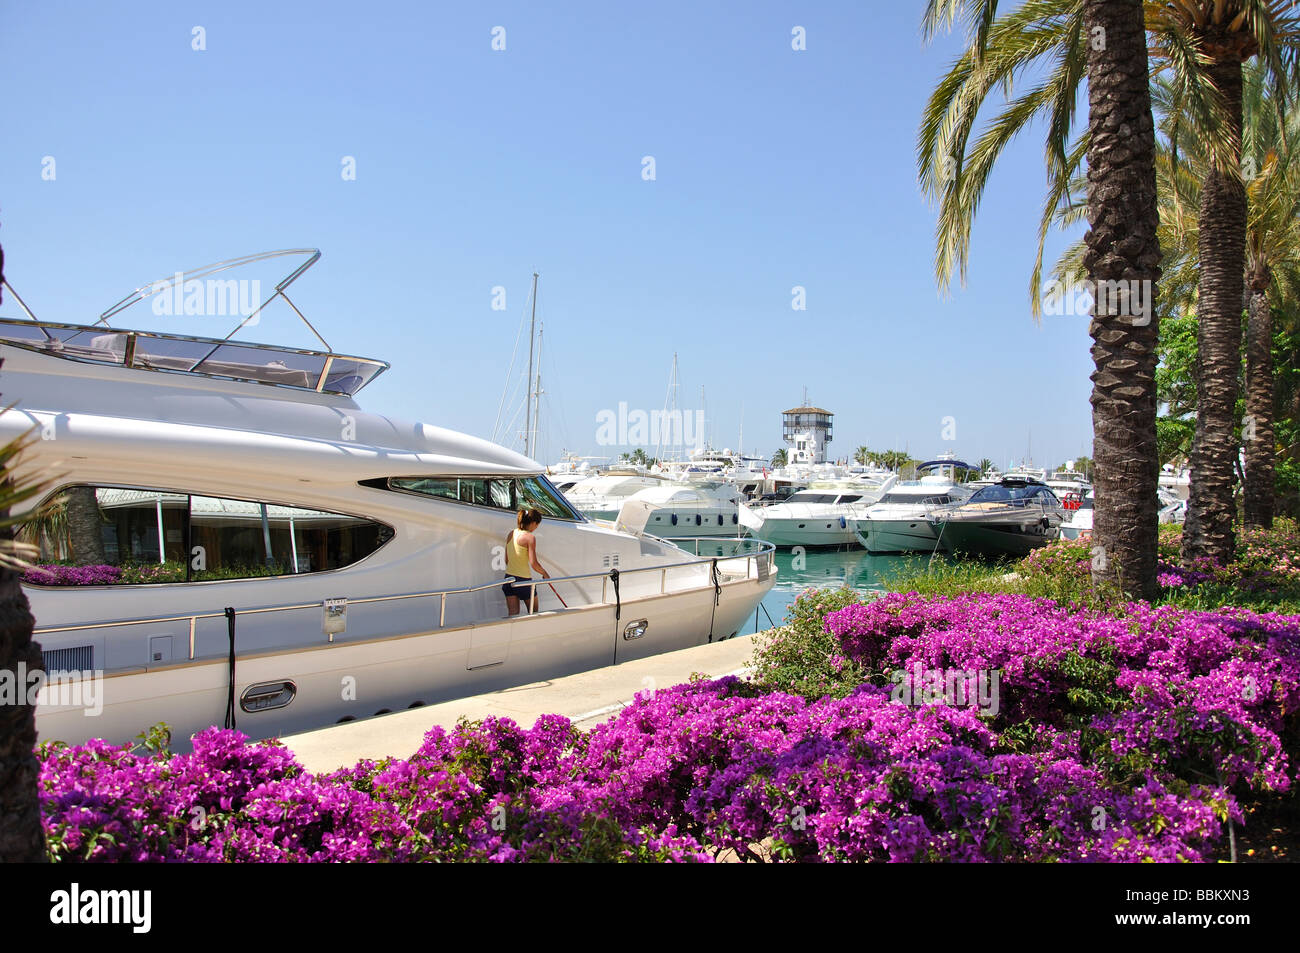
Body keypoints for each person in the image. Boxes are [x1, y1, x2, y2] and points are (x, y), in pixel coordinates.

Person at [502, 507, 550, 615]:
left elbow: (506, 559)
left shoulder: (511, 533)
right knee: (534, 614)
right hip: (524, 581)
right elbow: (534, 564)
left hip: (508, 579)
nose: (536, 528)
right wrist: (545, 574)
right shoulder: (530, 538)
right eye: (537, 525)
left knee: (513, 616)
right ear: (533, 523)